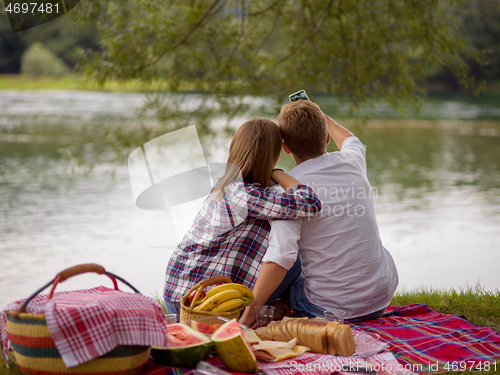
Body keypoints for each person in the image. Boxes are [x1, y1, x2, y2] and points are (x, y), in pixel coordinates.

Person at [240, 100, 398, 326]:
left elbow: (280, 257)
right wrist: (324, 118)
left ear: (286, 147)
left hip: (330, 310)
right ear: (325, 138)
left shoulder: (289, 191)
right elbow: (350, 139)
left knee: (286, 259)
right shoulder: (352, 161)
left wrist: (246, 317)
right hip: (379, 298)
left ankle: (272, 312)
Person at [163, 118, 322, 315]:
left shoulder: (230, 186)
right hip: (194, 302)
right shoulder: (240, 195)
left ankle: (274, 308)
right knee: (294, 260)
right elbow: (310, 203)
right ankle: (280, 310)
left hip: (179, 287)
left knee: (282, 248)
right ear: (274, 154)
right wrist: (279, 173)